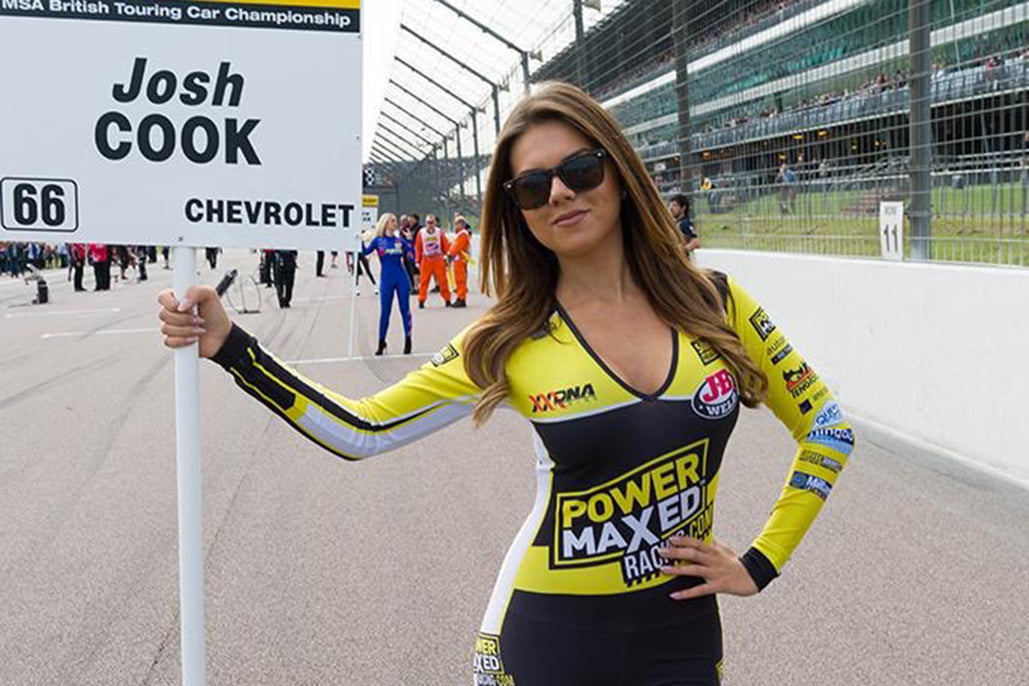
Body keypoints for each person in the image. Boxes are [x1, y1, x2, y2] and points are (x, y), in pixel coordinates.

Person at [158, 82, 853, 685]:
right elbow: (360, 430)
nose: (559, 192)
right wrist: (232, 347)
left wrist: (760, 562)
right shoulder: (508, 335)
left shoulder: (715, 301)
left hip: (680, 637)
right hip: (550, 637)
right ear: (516, 210)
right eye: (531, 186)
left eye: (580, 168)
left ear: (618, 172)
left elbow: (826, 428)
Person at [361, 213, 414, 356]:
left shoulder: (399, 241)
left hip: (401, 278)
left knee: (405, 310)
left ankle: (408, 339)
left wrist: (410, 242)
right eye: (392, 221)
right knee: (385, 312)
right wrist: (358, 240)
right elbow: (365, 252)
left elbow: (411, 257)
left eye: (395, 221)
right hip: (386, 279)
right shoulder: (378, 241)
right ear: (385, 223)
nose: (395, 223)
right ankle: (381, 341)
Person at [415, 214, 452, 309]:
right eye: (428, 223)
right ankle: (421, 300)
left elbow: (445, 244)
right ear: (426, 223)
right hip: (426, 259)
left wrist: (448, 255)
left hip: (438, 258)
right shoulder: (421, 233)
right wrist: (417, 260)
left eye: (432, 223)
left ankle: (447, 299)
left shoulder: (439, 232)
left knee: (443, 280)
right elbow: (418, 247)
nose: (430, 225)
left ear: (435, 223)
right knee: (424, 281)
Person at [447, 215, 472, 308]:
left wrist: (450, 254)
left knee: (460, 280)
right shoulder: (460, 234)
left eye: (457, 224)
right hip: (458, 260)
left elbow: (457, 247)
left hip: (460, 260)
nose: (456, 226)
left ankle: (461, 298)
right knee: (458, 280)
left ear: (461, 224)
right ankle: (460, 296)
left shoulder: (463, 235)